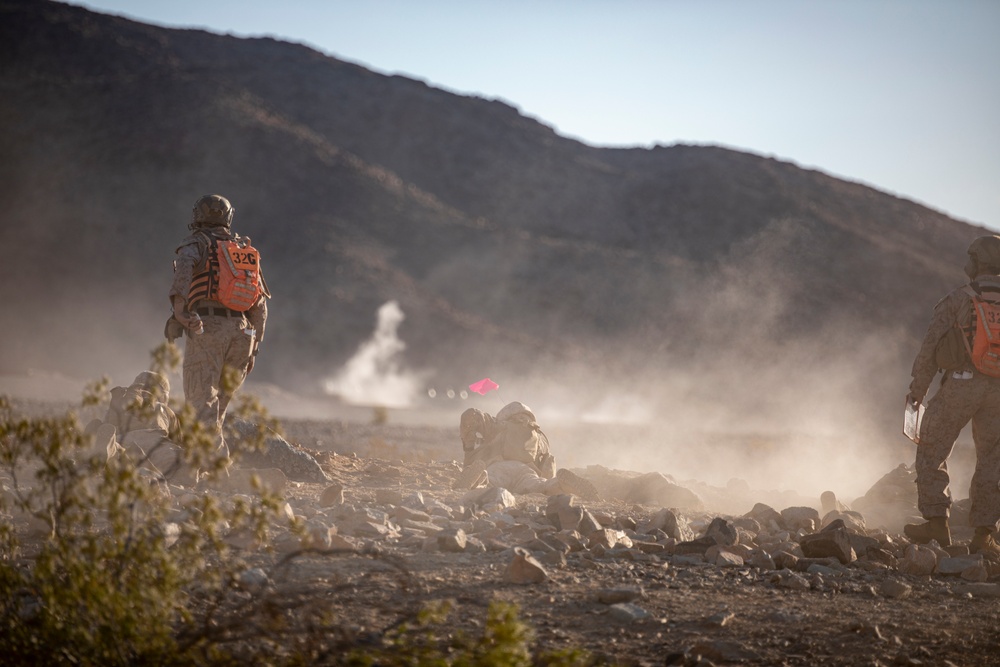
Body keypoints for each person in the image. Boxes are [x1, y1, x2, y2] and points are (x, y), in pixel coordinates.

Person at [904, 235, 1000, 555]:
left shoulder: (960, 299)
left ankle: (936, 523)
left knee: (932, 445)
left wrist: (918, 391)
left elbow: (931, 347)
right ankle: (984, 535)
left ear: (975, 263)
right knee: (992, 460)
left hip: (962, 383)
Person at [168, 194, 270, 456]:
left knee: (201, 402)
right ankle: (210, 464)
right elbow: (259, 305)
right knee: (219, 406)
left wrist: (179, 310)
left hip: (208, 328)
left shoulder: (196, 243)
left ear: (198, 216)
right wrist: (254, 348)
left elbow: (184, 270)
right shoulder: (242, 251)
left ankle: (212, 465)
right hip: (242, 334)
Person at [456, 401, 599, 500]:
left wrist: (469, 447)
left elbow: (471, 415)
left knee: (488, 484)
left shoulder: (498, 425)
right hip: (526, 472)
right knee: (542, 486)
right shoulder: (540, 437)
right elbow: (547, 466)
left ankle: (478, 478)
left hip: (499, 467)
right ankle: (560, 483)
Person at [84, 370, 195, 484]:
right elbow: (180, 441)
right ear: (162, 394)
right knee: (188, 469)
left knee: (126, 456)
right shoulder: (163, 408)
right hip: (153, 442)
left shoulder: (121, 402)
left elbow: (106, 424)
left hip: (121, 438)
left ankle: (114, 449)